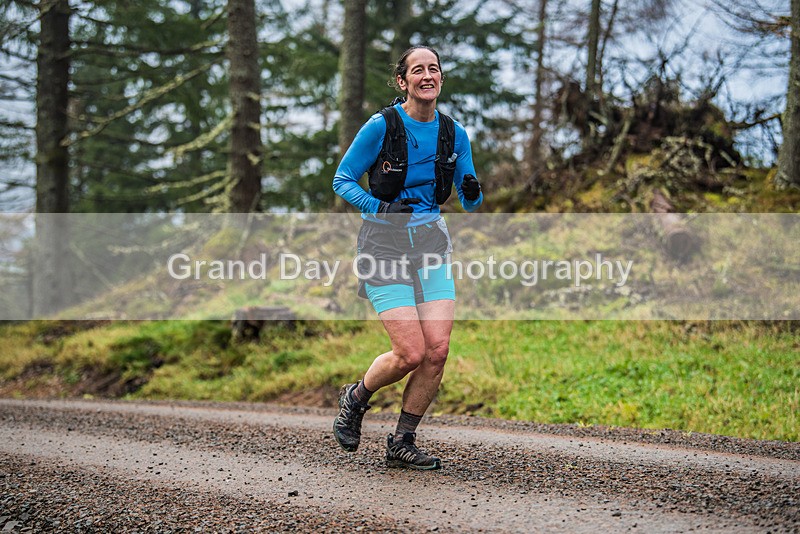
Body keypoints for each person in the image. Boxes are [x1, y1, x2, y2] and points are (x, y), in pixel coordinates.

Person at [331, 45, 483, 470]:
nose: (427, 75)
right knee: (410, 352)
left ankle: (403, 440)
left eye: (433, 68)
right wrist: (379, 208)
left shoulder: (454, 133)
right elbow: (342, 179)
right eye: (418, 70)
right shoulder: (381, 126)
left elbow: (472, 200)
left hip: (431, 244)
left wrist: (471, 193)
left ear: (440, 79)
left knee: (437, 349)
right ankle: (356, 397)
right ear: (403, 82)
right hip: (384, 247)